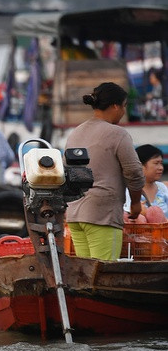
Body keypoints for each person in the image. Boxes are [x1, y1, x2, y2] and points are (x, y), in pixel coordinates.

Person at [65, 82, 145, 261]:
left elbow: (67, 172)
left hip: (75, 214)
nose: (124, 112)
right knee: (102, 275)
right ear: (115, 106)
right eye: (124, 106)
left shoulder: (75, 133)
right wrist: (136, 203)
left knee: (85, 277)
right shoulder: (117, 134)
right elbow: (134, 172)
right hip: (101, 215)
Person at [123, 144, 168, 215]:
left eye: (161, 163)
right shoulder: (128, 191)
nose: (161, 168)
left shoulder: (162, 188)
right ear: (140, 166)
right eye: (156, 163)